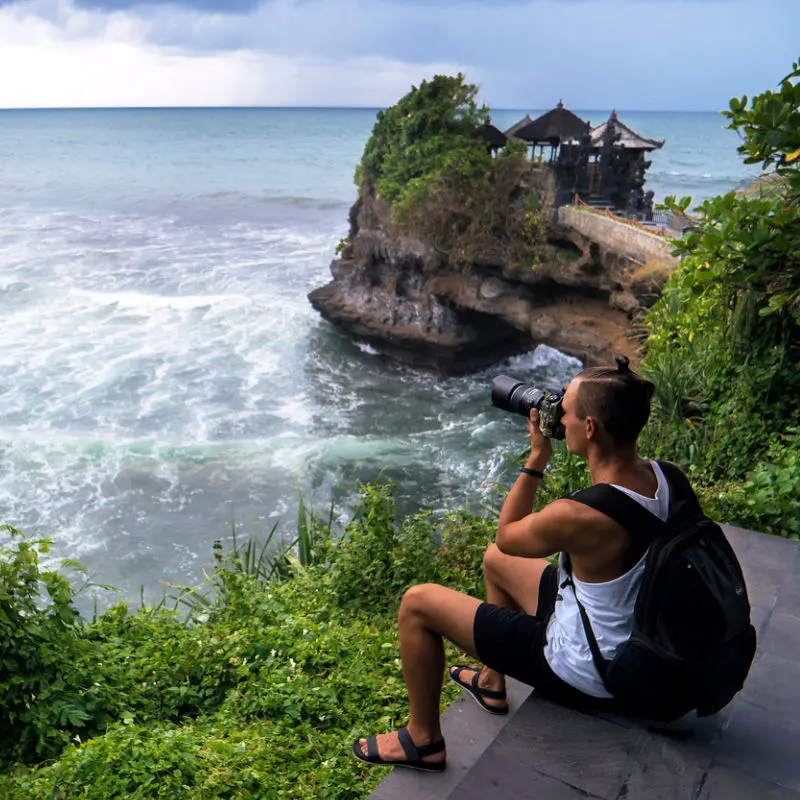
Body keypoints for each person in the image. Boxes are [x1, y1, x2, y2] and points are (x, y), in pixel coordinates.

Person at [353, 357, 666, 773]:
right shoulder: (666, 476)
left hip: (585, 667)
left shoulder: (582, 515)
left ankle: (423, 740)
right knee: (494, 561)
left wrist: (537, 457)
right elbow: (504, 551)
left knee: (417, 603)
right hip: (628, 631)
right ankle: (491, 681)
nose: (559, 417)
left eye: (566, 410)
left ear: (589, 428)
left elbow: (509, 532)